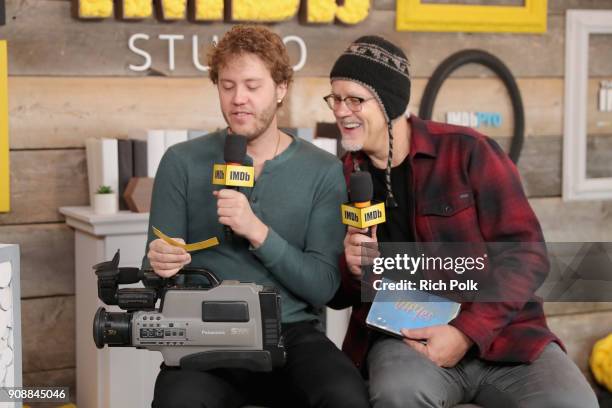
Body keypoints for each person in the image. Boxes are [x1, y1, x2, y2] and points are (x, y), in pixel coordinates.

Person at [326, 35, 599, 408]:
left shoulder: (468, 151)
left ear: (390, 102)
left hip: (505, 336)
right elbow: (337, 294)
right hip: (405, 338)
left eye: (354, 99)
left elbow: (526, 254)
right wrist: (352, 268)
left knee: (574, 403)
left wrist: (466, 333)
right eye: (335, 99)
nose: (341, 111)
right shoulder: (339, 178)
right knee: (398, 395)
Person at [144, 25, 370, 408]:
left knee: (346, 397)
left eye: (252, 85)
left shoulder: (323, 170)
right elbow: (153, 279)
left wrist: (256, 231)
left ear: (281, 88)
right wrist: (159, 264)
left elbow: (323, 287)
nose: (238, 99)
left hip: (291, 335)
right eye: (227, 86)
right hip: (205, 333)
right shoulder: (180, 162)